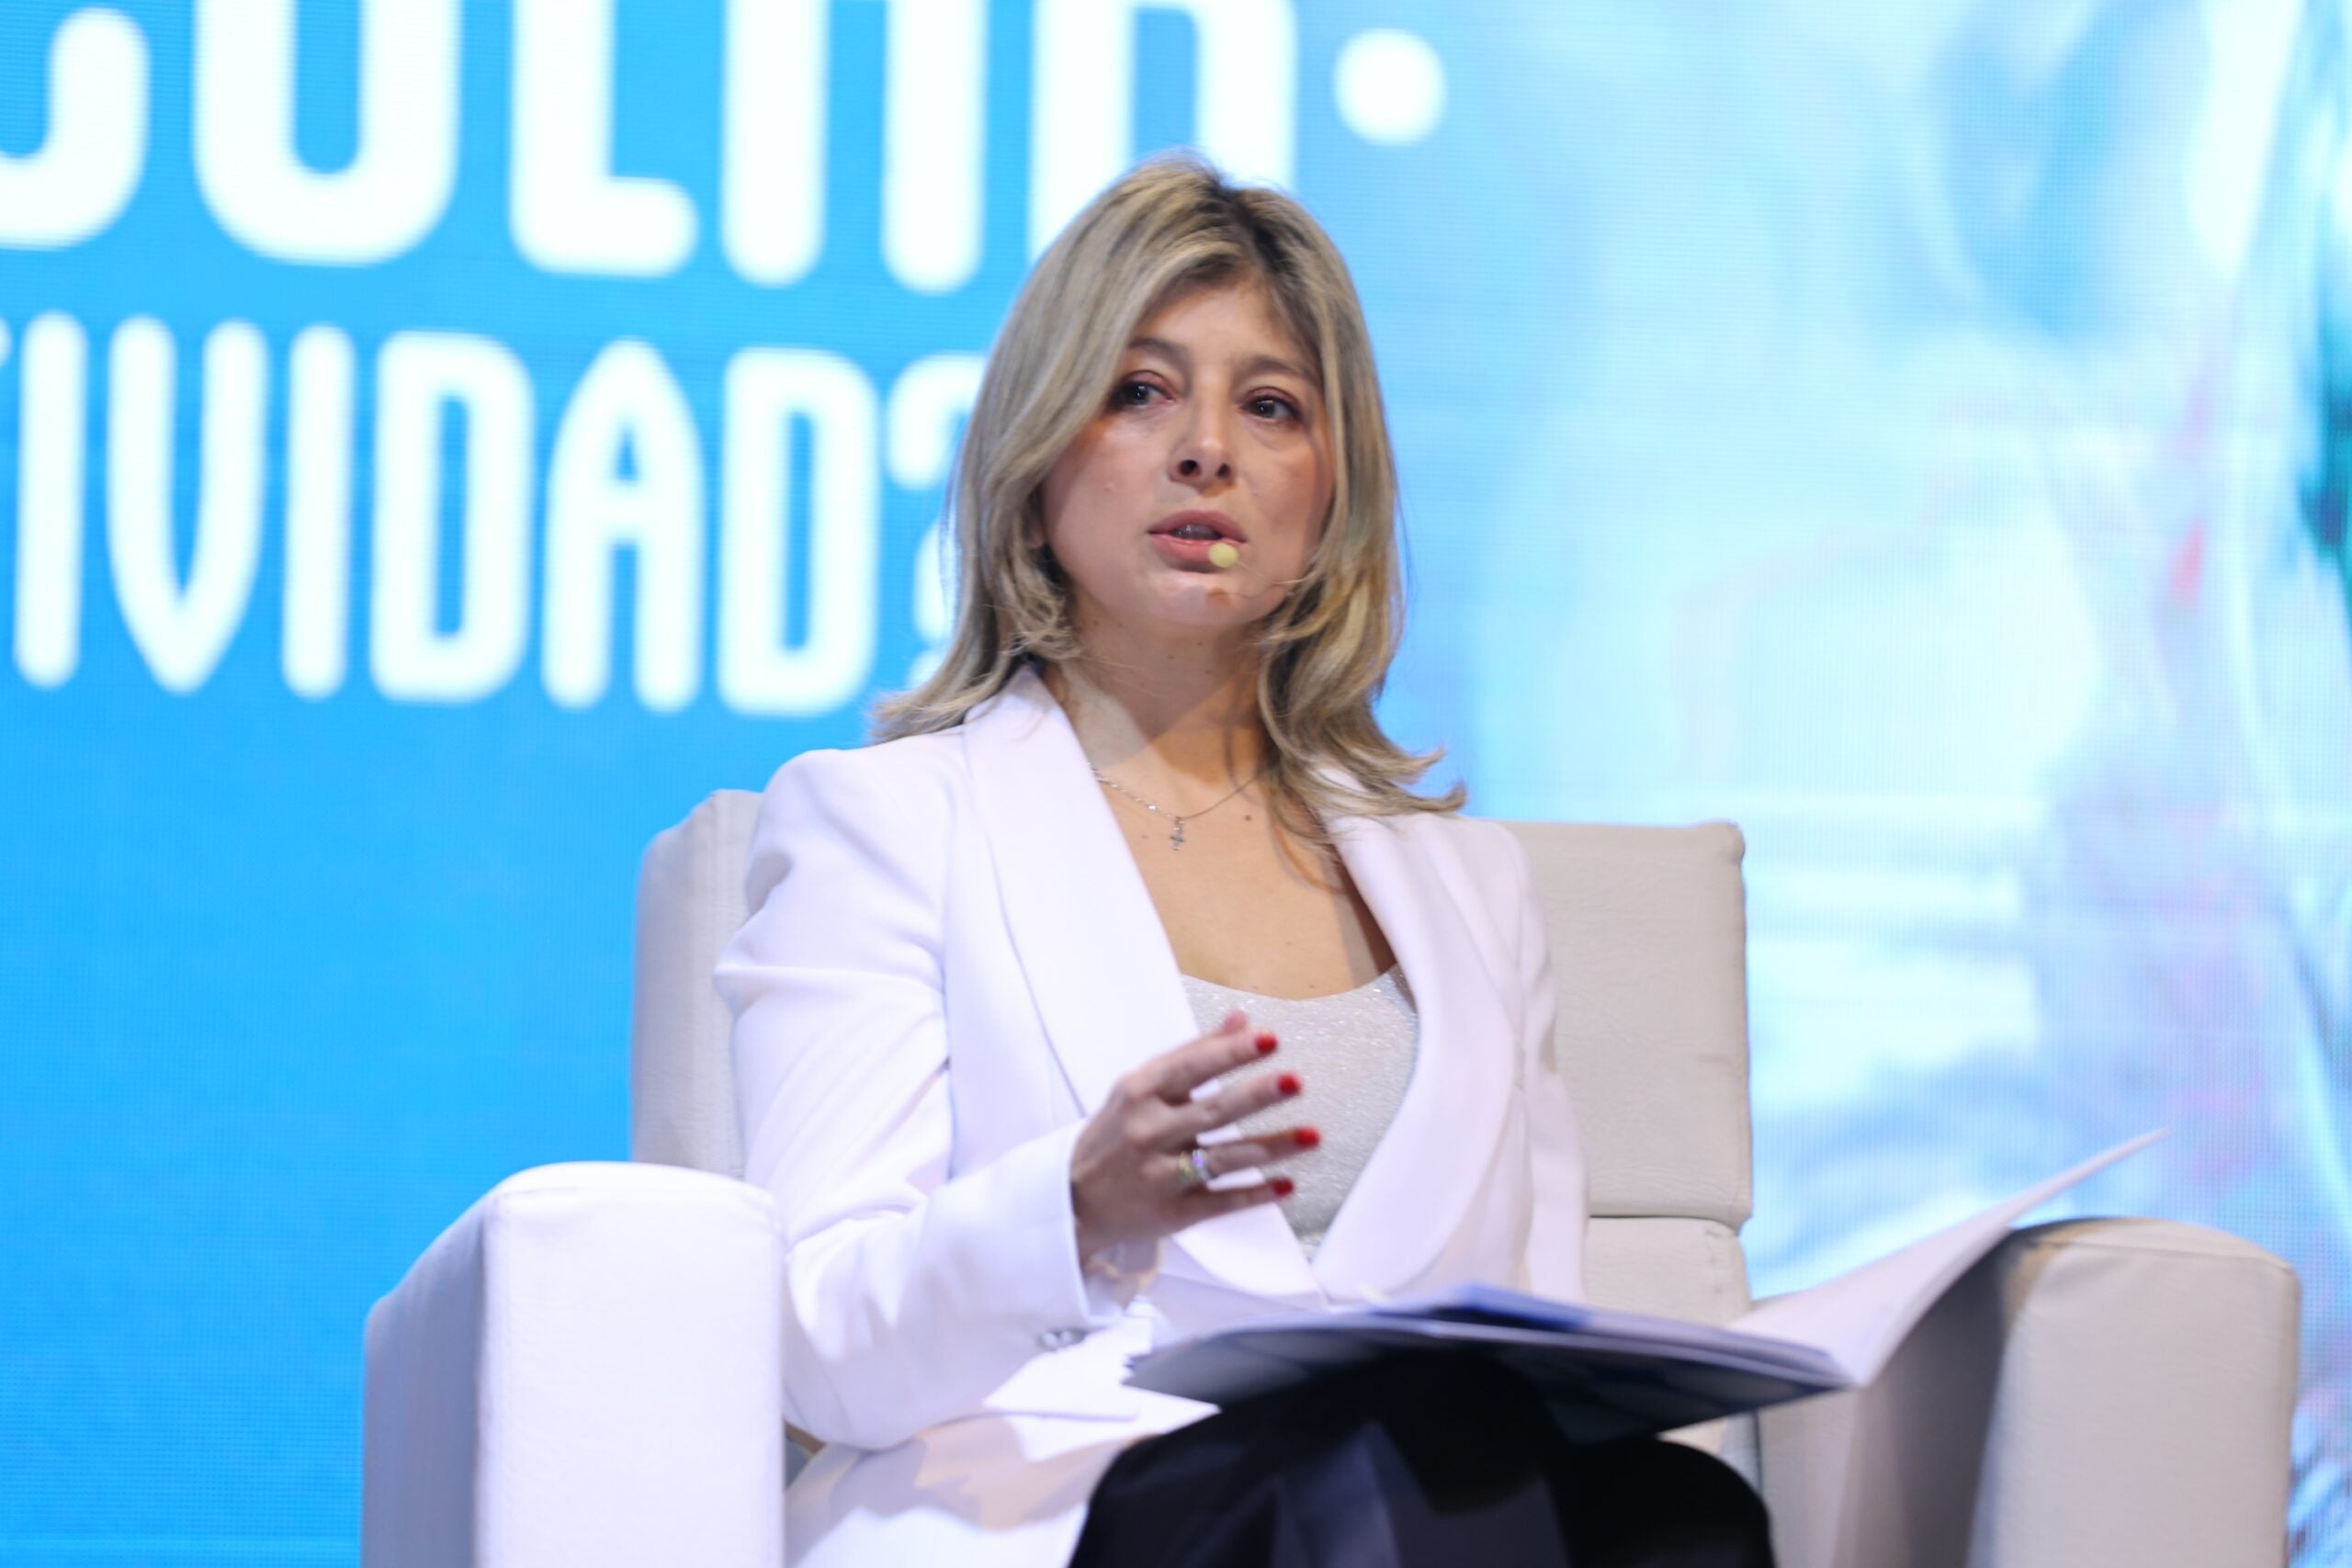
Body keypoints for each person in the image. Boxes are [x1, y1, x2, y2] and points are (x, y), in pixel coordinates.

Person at [716, 154, 1772, 1568]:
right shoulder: (886, 822)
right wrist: (1075, 1208)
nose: (1206, 449)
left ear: (1332, 497)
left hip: (1421, 1508)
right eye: (1141, 391)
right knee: (1349, 1496)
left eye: (1270, 406)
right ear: (1037, 465)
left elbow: (1531, 1315)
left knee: (1687, 1520)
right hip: (1068, 1502)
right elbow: (815, 1341)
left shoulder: (1471, 888)